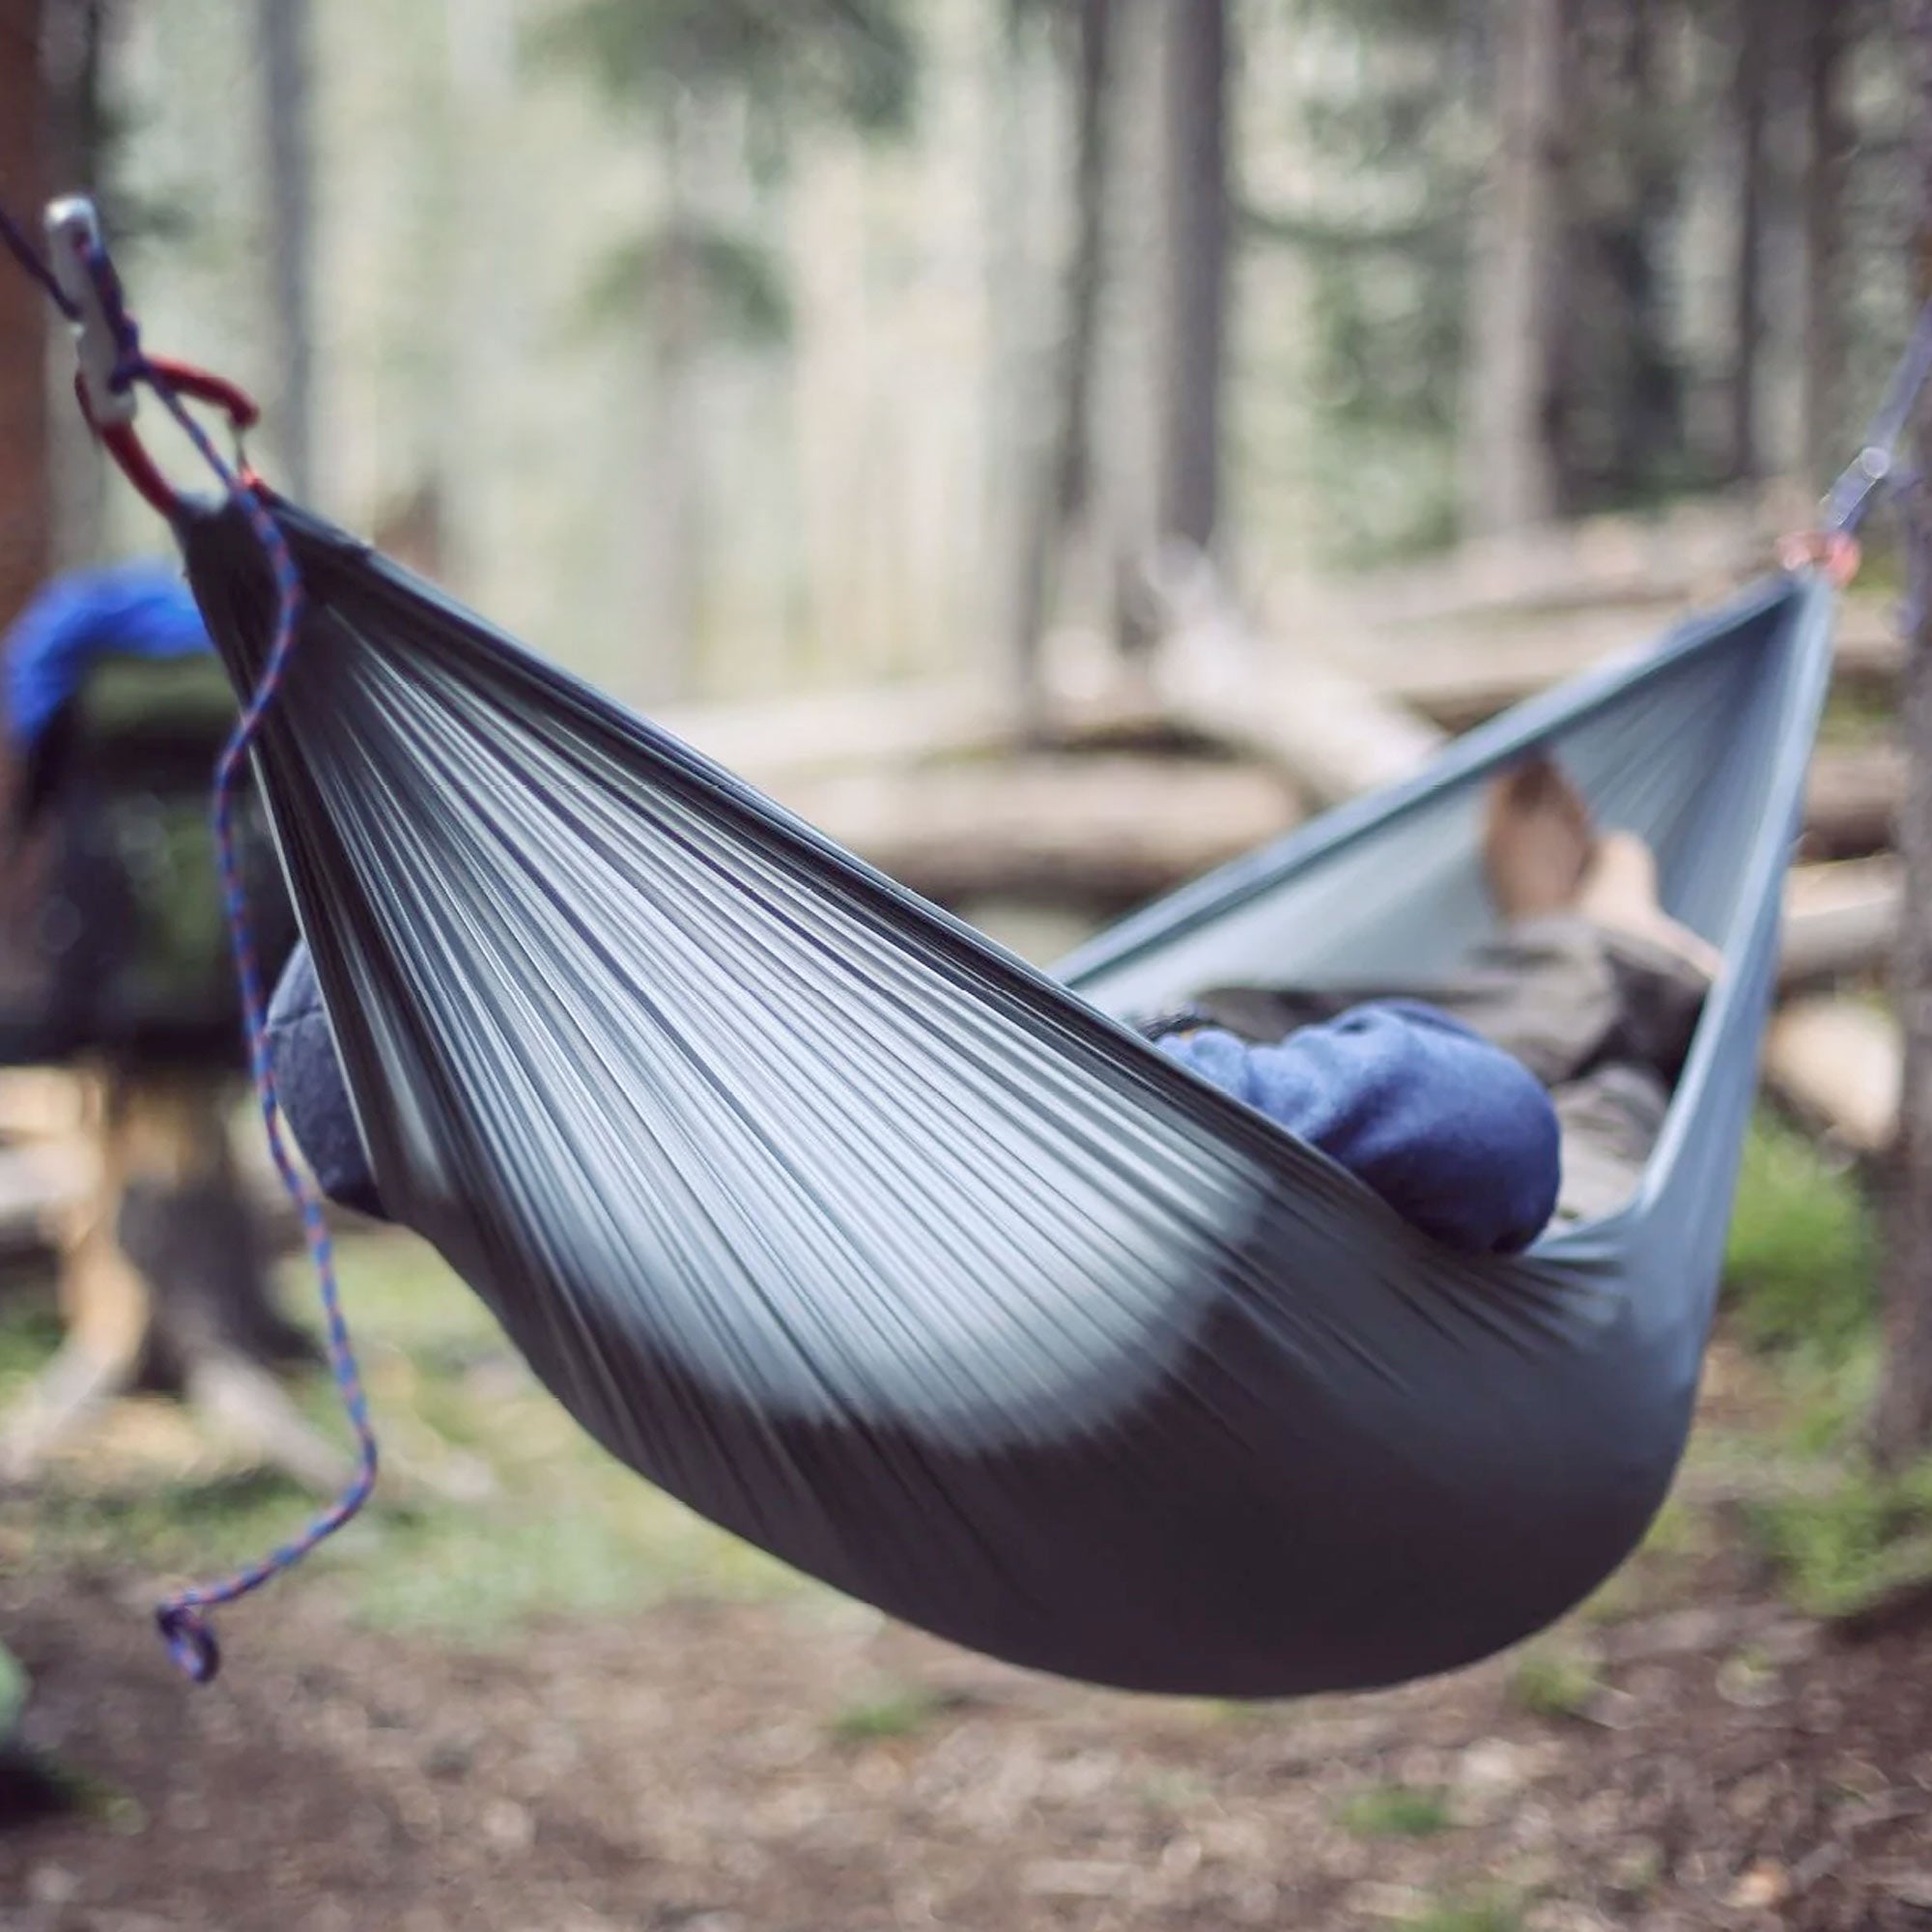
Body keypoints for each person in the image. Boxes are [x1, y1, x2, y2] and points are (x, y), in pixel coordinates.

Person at [260, 754, 1716, 1259]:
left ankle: (1557, 946)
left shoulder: (594, 1258)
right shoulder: (858, 1150)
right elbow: (1492, 1135)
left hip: (1158, 1073)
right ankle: (1603, 940)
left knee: (1255, 999)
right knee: (1564, 1065)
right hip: (1454, 1193)